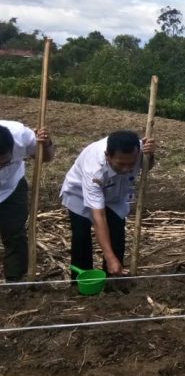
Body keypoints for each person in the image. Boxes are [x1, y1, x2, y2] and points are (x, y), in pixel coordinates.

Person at [60, 130, 155, 275]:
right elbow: (99, 217)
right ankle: (83, 280)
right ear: (107, 156)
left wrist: (151, 155)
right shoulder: (94, 169)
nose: (126, 168)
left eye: (131, 164)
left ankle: (113, 279)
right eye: (121, 164)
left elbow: (146, 166)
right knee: (81, 235)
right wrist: (109, 257)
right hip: (79, 193)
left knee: (117, 232)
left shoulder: (140, 149)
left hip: (116, 192)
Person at [0, 121, 54, 282]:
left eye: (4, 163)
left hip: (11, 188)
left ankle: (14, 281)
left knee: (14, 233)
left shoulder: (22, 135)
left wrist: (46, 143)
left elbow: (46, 158)